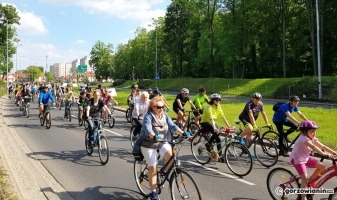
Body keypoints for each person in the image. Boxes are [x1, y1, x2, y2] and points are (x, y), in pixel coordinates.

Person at [137, 96, 190, 200]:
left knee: (171, 158)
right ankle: (153, 193)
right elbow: (147, 129)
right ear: (152, 107)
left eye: (162, 107)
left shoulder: (164, 115)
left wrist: (183, 133)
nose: (161, 109)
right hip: (148, 144)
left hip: (161, 142)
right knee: (152, 168)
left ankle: (163, 173)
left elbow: (172, 126)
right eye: (158, 107)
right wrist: (154, 136)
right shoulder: (149, 116)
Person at [289, 120, 336, 200]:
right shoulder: (303, 138)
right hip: (298, 160)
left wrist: (334, 152)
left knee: (322, 166)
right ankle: (303, 198)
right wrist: (324, 154)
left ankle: (310, 181)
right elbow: (314, 147)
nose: (314, 133)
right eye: (312, 131)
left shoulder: (311, 137)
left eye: (315, 131)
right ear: (305, 132)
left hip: (305, 158)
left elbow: (322, 146)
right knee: (304, 180)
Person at [201, 93, 232, 162]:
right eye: (217, 100)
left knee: (218, 139)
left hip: (212, 122)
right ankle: (208, 144)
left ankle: (220, 157)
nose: (218, 101)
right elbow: (211, 118)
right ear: (213, 100)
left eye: (219, 100)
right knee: (216, 133)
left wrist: (229, 126)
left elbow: (223, 116)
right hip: (205, 122)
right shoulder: (209, 107)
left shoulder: (218, 106)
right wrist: (215, 128)